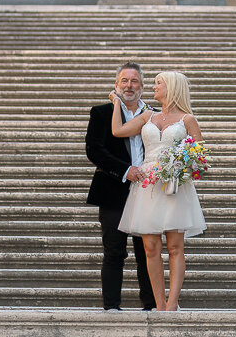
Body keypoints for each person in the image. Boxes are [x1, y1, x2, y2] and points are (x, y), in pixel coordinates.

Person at [112, 71, 206, 311]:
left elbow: (200, 156)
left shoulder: (187, 119)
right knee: (150, 248)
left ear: (171, 88)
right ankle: (159, 303)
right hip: (148, 185)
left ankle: (172, 303)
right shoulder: (147, 116)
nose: (154, 87)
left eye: (158, 84)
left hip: (174, 186)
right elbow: (118, 131)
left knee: (175, 247)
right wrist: (117, 103)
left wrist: (182, 165)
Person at [84, 61, 157, 311]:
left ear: (142, 87)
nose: (129, 86)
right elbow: (94, 150)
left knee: (148, 251)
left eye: (134, 81)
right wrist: (126, 170)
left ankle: (151, 304)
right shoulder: (102, 113)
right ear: (116, 85)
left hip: (147, 192)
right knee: (114, 250)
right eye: (124, 81)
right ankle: (112, 306)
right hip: (113, 190)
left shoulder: (155, 115)